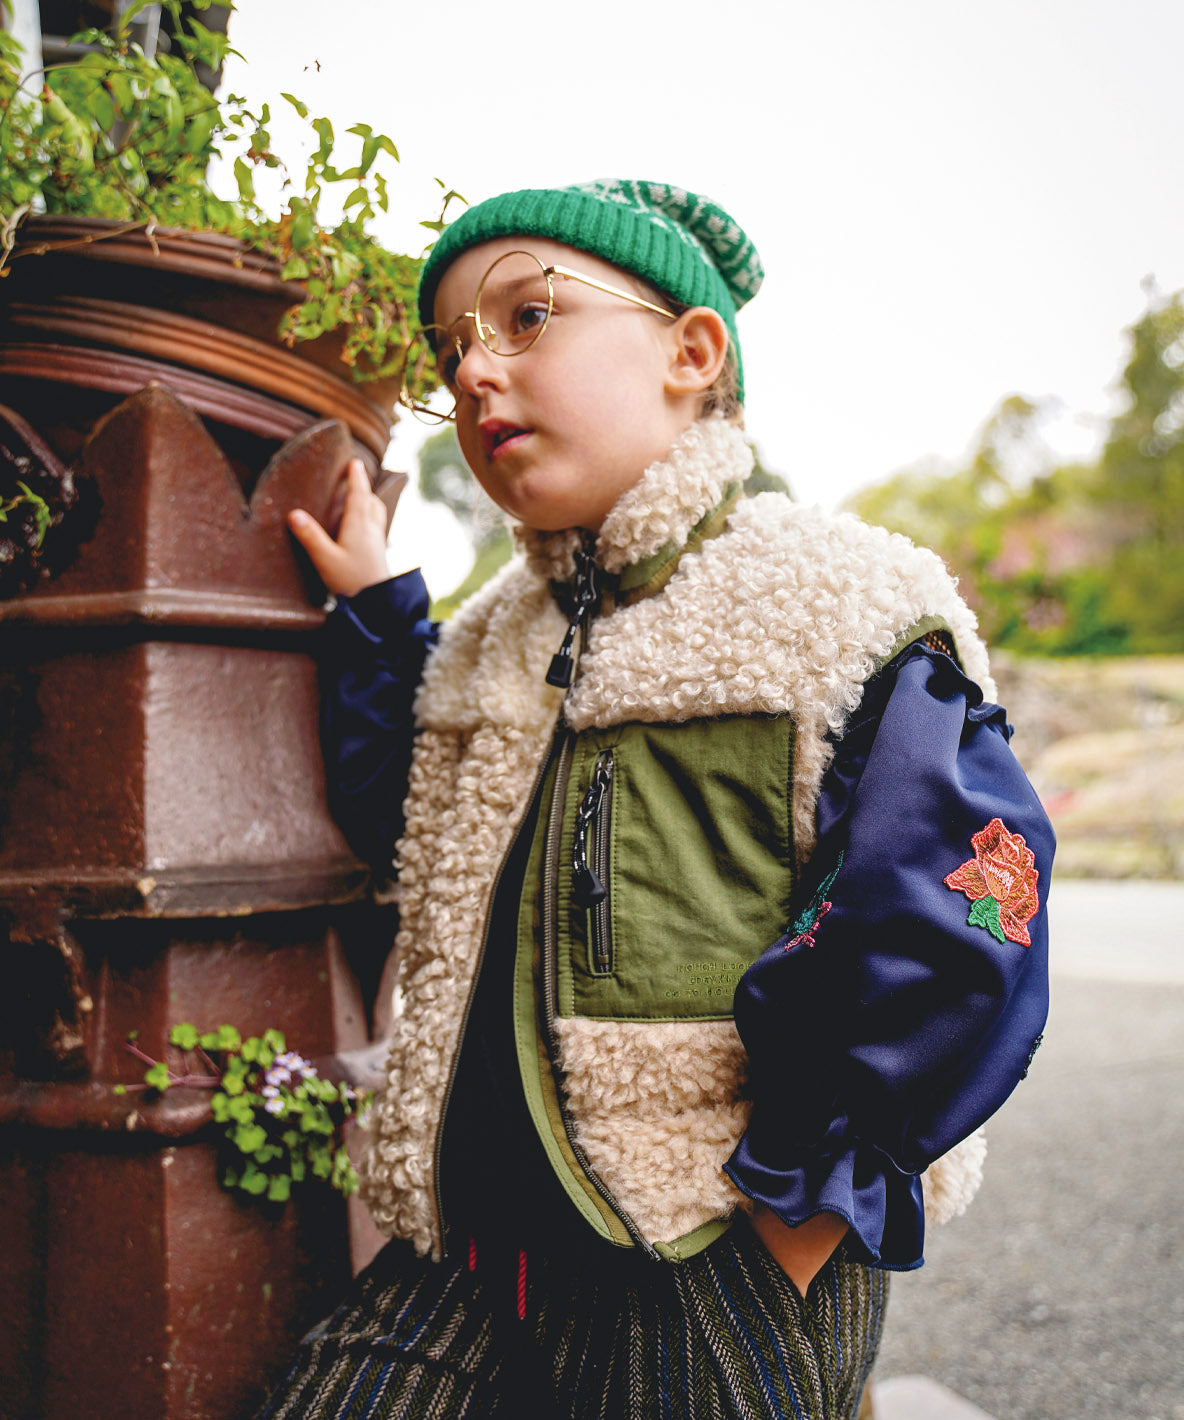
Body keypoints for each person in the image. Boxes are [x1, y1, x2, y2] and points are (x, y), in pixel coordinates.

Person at [260, 179, 1053, 1420]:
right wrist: (379, 621)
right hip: (471, 1254)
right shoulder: (483, 644)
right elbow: (409, 832)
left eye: (526, 317)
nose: (473, 374)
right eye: (450, 349)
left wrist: (801, 1206)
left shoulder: (837, 605)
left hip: (709, 1241)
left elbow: (960, 919)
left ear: (689, 352)